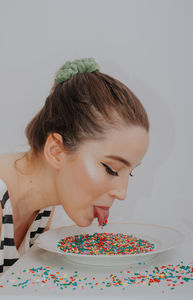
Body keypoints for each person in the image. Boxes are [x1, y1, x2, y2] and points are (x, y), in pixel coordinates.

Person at [0, 58, 149, 274]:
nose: (122, 193)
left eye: (130, 174)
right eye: (111, 169)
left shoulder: (43, 209)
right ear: (56, 151)